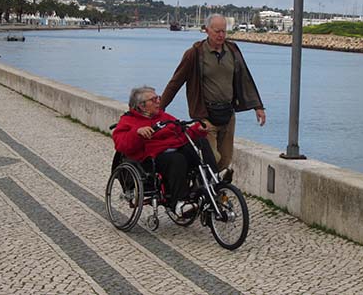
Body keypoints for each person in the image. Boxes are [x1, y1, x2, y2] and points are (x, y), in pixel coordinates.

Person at [161, 13, 265, 182]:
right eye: (217, 31)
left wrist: (258, 107)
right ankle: (205, 187)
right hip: (205, 115)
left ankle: (207, 187)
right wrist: (160, 107)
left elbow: (245, 78)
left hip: (227, 114)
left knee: (225, 159)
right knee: (213, 158)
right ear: (207, 30)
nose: (221, 35)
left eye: (224, 31)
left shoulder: (232, 50)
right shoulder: (194, 54)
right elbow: (176, 82)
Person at [112, 86, 217, 216]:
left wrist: (196, 130)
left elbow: (181, 133)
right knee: (177, 159)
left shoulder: (164, 116)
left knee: (200, 142)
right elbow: (121, 144)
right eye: (153, 99)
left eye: (158, 98)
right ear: (142, 106)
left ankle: (213, 178)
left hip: (173, 149)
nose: (158, 101)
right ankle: (179, 203)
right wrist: (137, 132)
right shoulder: (128, 121)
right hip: (150, 159)